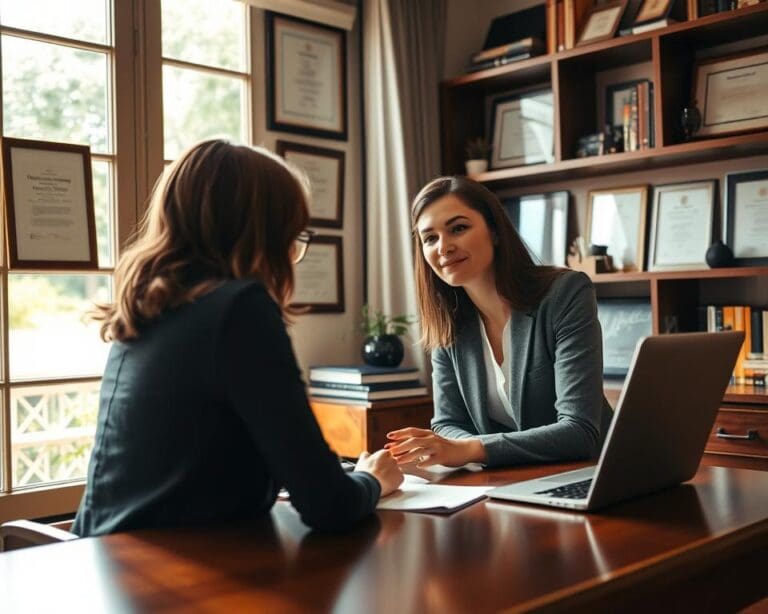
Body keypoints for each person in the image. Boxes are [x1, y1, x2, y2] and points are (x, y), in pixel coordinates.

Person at [72, 139, 402, 537]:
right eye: (290, 235)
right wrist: (372, 480)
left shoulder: (150, 305)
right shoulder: (239, 308)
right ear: (263, 234)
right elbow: (327, 504)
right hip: (171, 579)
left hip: (107, 561)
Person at [385, 176, 613, 468]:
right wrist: (456, 448)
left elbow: (580, 430)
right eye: (430, 238)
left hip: (594, 474)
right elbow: (447, 424)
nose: (443, 247)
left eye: (458, 228)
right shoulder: (448, 321)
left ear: (494, 230)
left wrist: (471, 449)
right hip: (515, 481)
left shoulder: (565, 293)